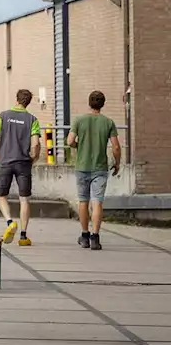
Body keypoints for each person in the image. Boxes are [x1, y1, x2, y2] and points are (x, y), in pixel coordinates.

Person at [68, 90, 121, 250]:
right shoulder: (108, 122)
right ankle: (95, 238)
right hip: (100, 168)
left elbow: (70, 141)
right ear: (102, 104)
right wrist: (117, 163)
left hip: (82, 167)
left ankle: (84, 236)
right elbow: (116, 147)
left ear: (89, 103)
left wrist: (79, 146)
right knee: (97, 202)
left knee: (83, 201)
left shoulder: (79, 120)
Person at [0, 89, 41, 246]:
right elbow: (36, 144)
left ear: (17, 99)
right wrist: (34, 158)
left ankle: (9, 222)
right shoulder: (32, 119)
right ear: (28, 102)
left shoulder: (3, 116)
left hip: (6, 161)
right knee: (24, 199)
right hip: (24, 163)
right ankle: (23, 237)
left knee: (1, 196)